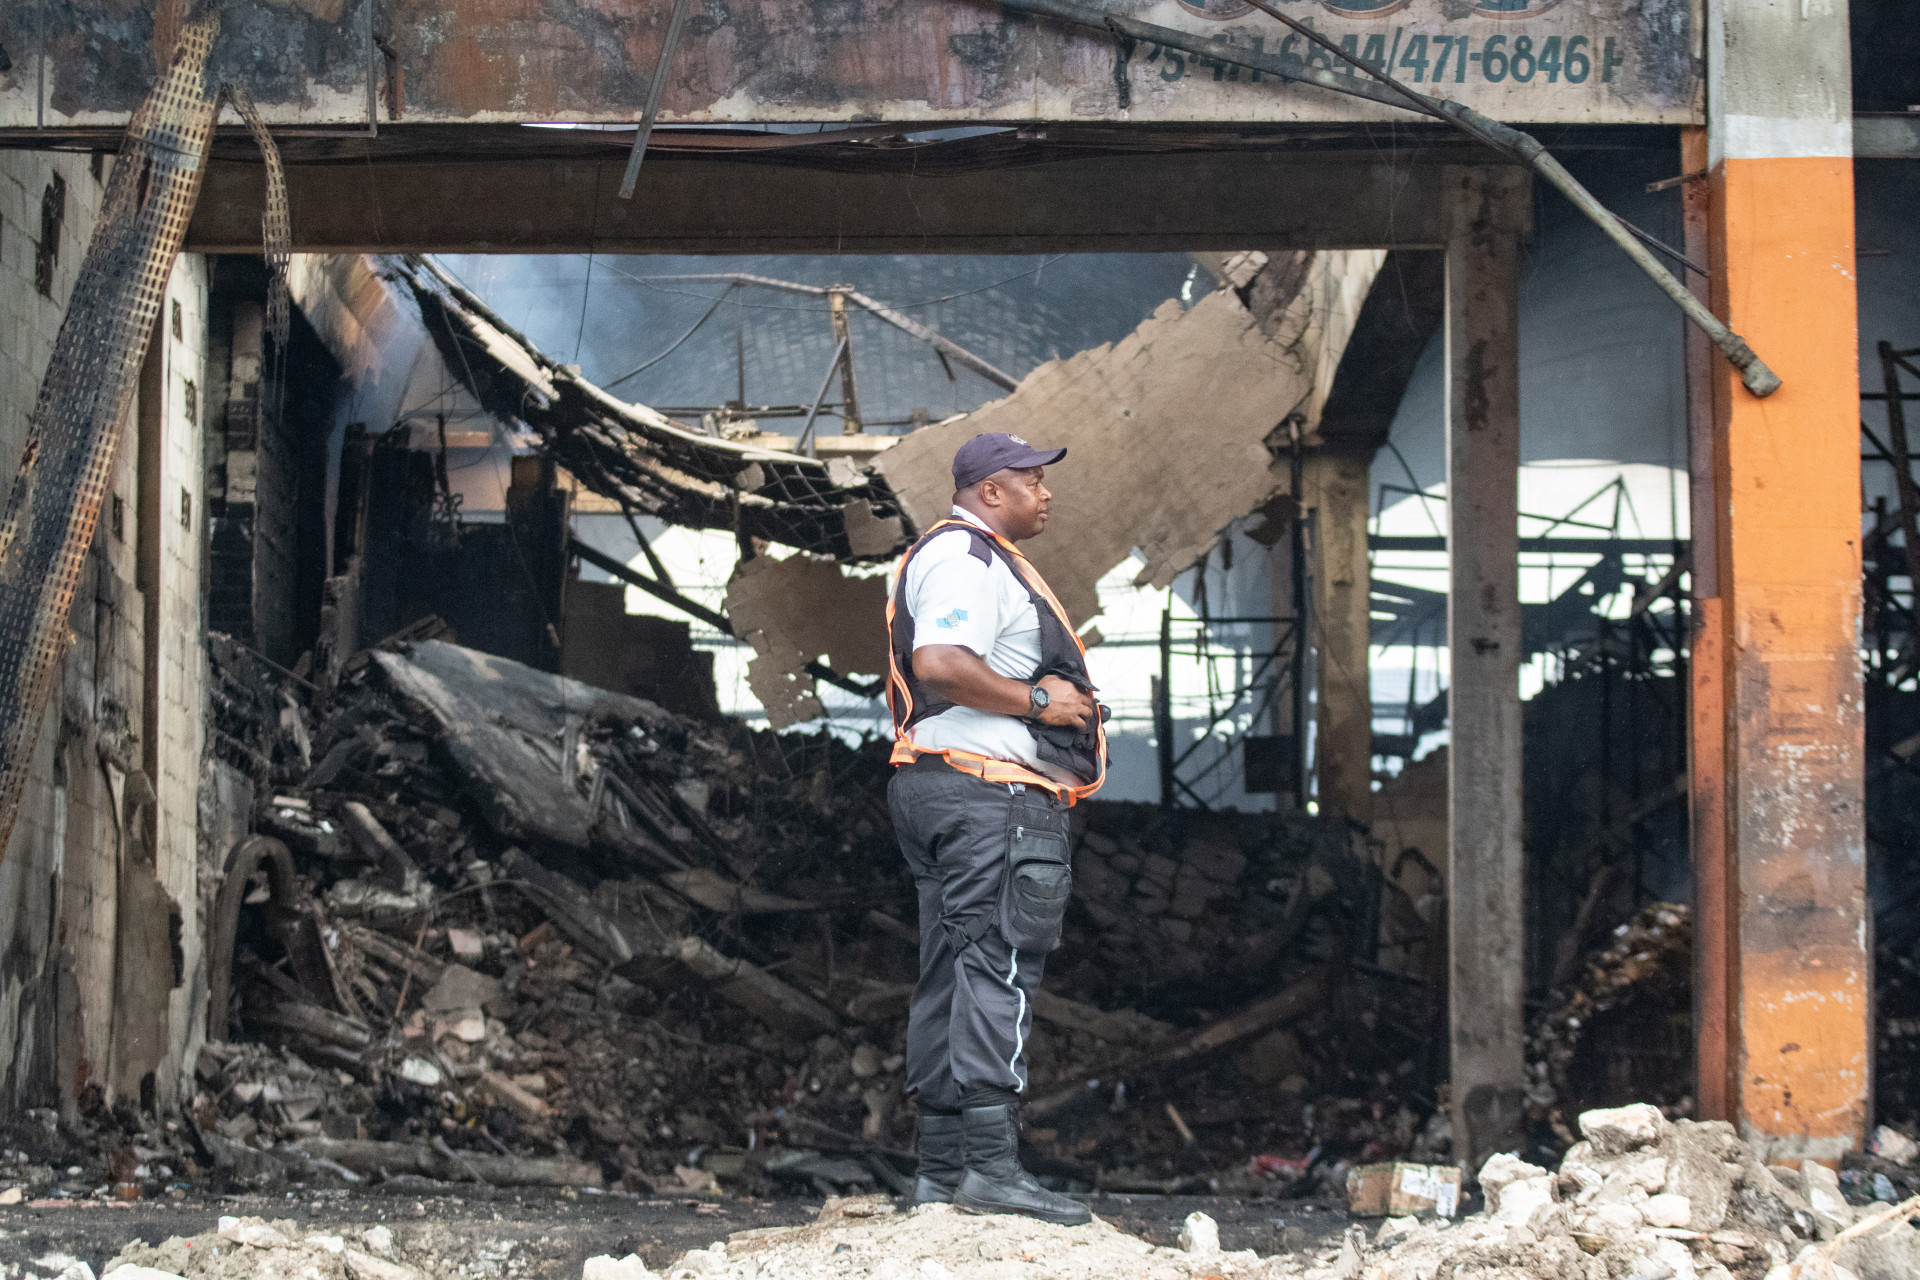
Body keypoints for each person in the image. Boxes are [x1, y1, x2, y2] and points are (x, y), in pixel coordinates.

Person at [883, 432, 1108, 1225]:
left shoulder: (954, 559)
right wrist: (1044, 704)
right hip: (990, 802)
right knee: (998, 970)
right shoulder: (967, 561)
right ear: (988, 491)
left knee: (949, 973)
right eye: (1032, 481)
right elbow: (942, 662)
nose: (1046, 495)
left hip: (944, 791)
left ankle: (941, 1175)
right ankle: (990, 1171)